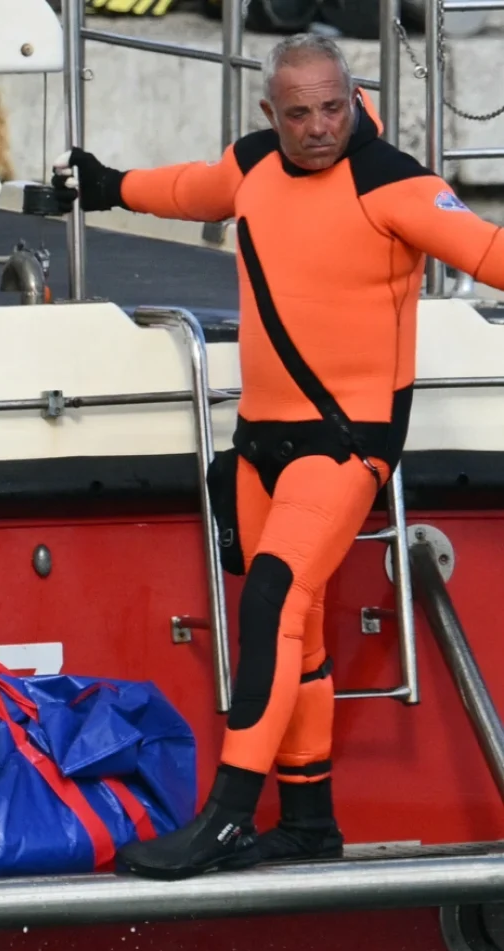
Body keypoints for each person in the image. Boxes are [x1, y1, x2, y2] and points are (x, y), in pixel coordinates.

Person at [53, 32, 504, 880]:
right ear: (272, 112)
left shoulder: (393, 184)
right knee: (294, 642)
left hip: (345, 446)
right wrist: (106, 184)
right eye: (299, 113)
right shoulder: (256, 163)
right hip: (260, 442)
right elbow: (190, 189)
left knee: (270, 602)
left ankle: (226, 818)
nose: (319, 126)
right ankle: (306, 821)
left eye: (334, 106)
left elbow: (488, 252)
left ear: (352, 94)